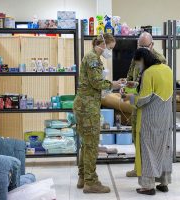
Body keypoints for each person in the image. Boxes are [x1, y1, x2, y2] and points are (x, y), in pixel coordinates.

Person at [73, 33, 121, 194]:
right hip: (88, 107)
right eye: (110, 48)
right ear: (102, 44)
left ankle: (83, 177)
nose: (110, 52)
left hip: (85, 105)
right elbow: (96, 82)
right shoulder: (93, 58)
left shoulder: (93, 57)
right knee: (92, 145)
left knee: (86, 144)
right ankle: (91, 182)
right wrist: (112, 84)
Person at [123, 48, 173, 195]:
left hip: (150, 118)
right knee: (163, 148)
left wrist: (130, 98)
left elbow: (144, 99)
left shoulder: (148, 72)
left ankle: (148, 186)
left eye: (138, 64)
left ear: (143, 60)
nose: (138, 67)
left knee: (147, 150)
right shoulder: (167, 69)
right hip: (165, 117)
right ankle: (164, 183)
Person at [125, 31, 167, 178]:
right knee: (136, 136)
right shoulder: (137, 57)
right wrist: (128, 84)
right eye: (140, 46)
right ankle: (139, 168)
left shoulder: (159, 60)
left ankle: (153, 171)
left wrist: (138, 86)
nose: (142, 48)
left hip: (152, 106)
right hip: (138, 102)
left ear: (152, 44)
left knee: (151, 140)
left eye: (145, 46)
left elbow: (156, 83)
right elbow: (131, 75)